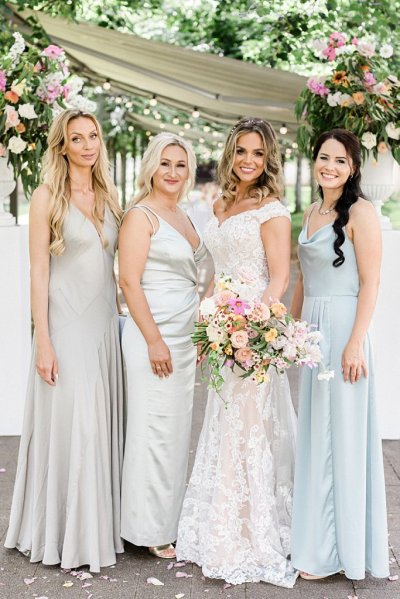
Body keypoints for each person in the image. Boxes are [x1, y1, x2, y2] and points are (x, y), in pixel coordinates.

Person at [176, 117, 298, 588]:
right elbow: (216, 272)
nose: (249, 160)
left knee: (248, 431)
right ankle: (218, 528)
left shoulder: (272, 209)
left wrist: (255, 329)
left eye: (258, 154)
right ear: (231, 153)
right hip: (221, 329)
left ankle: (248, 535)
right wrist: (209, 326)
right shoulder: (222, 201)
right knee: (223, 427)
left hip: (252, 334)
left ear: (268, 160)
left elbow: (280, 278)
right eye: (242, 151)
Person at [4, 109, 124, 571]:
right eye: (78, 138)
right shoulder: (45, 198)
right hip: (66, 326)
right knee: (78, 425)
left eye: (93, 136)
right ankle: (61, 534)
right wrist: (44, 340)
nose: (89, 145)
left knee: (97, 426)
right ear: (63, 146)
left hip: (104, 326)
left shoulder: (109, 196)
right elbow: (38, 272)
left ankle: (96, 528)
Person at [290, 129, 389, 580]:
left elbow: (370, 283)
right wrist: (284, 332)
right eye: (324, 157)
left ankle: (340, 551)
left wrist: (354, 342)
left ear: (352, 169)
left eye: (340, 160)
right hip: (311, 331)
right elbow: (303, 281)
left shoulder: (361, 212)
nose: (330, 166)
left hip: (344, 328)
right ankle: (317, 543)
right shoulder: (312, 211)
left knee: (343, 439)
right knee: (316, 436)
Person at [119, 132, 207, 560]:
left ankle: (167, 520)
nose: (173, 172)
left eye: (181, 164)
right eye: (166, 163)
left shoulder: (185, 214)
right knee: (152, 429)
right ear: (151, 166)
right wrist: (153, 339)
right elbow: (129, 281)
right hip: (152, 332)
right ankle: (146, 527)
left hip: (185, 335)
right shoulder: (141, 215)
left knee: (174, 432)